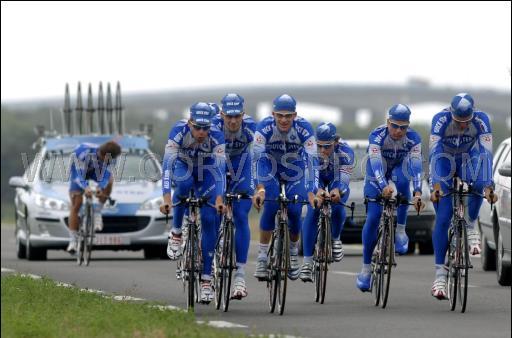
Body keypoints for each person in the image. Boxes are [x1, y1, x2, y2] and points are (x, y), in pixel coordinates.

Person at [429, 92, 497, 299]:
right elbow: (434, 153)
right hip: (444, 159)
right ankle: (440, 274)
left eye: (465, 122)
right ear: (451, 114)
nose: (461, 126)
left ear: (473, 115)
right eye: (458, 121)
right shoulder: (440, 120)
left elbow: (486, 153)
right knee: (442, 217)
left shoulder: (482, 119)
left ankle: (470, 224)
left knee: (478, 183)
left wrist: (487, 185)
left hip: (469, 158)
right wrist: (438, 184)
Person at [160, 102, 226, 304]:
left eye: (205, 128)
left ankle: (206, 280)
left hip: (206, 173)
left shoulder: (217, 136)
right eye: (197, 127)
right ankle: (177, 232)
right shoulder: (178, 131)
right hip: (183, 167)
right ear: (190, 123)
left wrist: (219, 198)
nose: (201, 132)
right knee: (184, 183)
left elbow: (220, 171)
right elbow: (167, 167)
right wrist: (166, 198)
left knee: (209, 218)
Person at [356, 104, 424, 292]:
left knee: (403, 181)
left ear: (408, 126)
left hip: (397, 169)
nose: (398, 131)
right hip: (376, 172)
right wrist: (382, 186)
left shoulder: (414, 139)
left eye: (403, 127)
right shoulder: (377, 136)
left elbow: (417, 167)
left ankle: (400, 230)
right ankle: (366, 269)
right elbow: (376, 165)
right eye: (394, 126)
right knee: (373, 217)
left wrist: (418, 192)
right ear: (388, 123)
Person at [252, 94, 318, 281]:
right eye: (280, 115)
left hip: (294, 171)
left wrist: (312, 190)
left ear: (295, 115)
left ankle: (292, 253)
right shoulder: (264, 127)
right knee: (271, 206)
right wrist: (259, 188)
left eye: (288, 116)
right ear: (273, 114)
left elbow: (313, 162)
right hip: (269, 169)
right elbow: (256, 159)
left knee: (295, 211)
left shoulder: (304, 128)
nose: (283, 119)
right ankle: (263, 257)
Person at [211, 93, 256, 299]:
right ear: (221, 114)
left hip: (241, 166)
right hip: (214, 167)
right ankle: (209, 260)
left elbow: (259, 156)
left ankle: (239, 277)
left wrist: (259, 187)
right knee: (212, 214)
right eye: (228, 116)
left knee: (240, 215)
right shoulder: (211, 126)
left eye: (237, 116)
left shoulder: (250, 127)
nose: (232, 120)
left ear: (243, 114)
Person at [299, 123, 355, 282]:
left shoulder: (346, 152)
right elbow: (311, 177)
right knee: (313, 210)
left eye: (327, 147)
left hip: (336, 178)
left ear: (335, 143)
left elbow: (343, 179)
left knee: (338, 205)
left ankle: (336, 238)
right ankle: (307, 262)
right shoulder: (309, 151)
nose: (323, 151)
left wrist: (338, 191)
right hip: (318, 178)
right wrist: (318, 191)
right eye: (320, 146)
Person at [67, 141, 122, 254]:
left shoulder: (111, 158)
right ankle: (72, 240)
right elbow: (79, 176)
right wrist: (86, 187)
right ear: (101, 154)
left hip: (95, 172)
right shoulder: (82, 153)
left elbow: (106, 177)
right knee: (76, 203)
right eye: (105, 160)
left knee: (110, 181)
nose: (108, 162)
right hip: (78, 171)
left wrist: (99, 188)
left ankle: (97, 212)